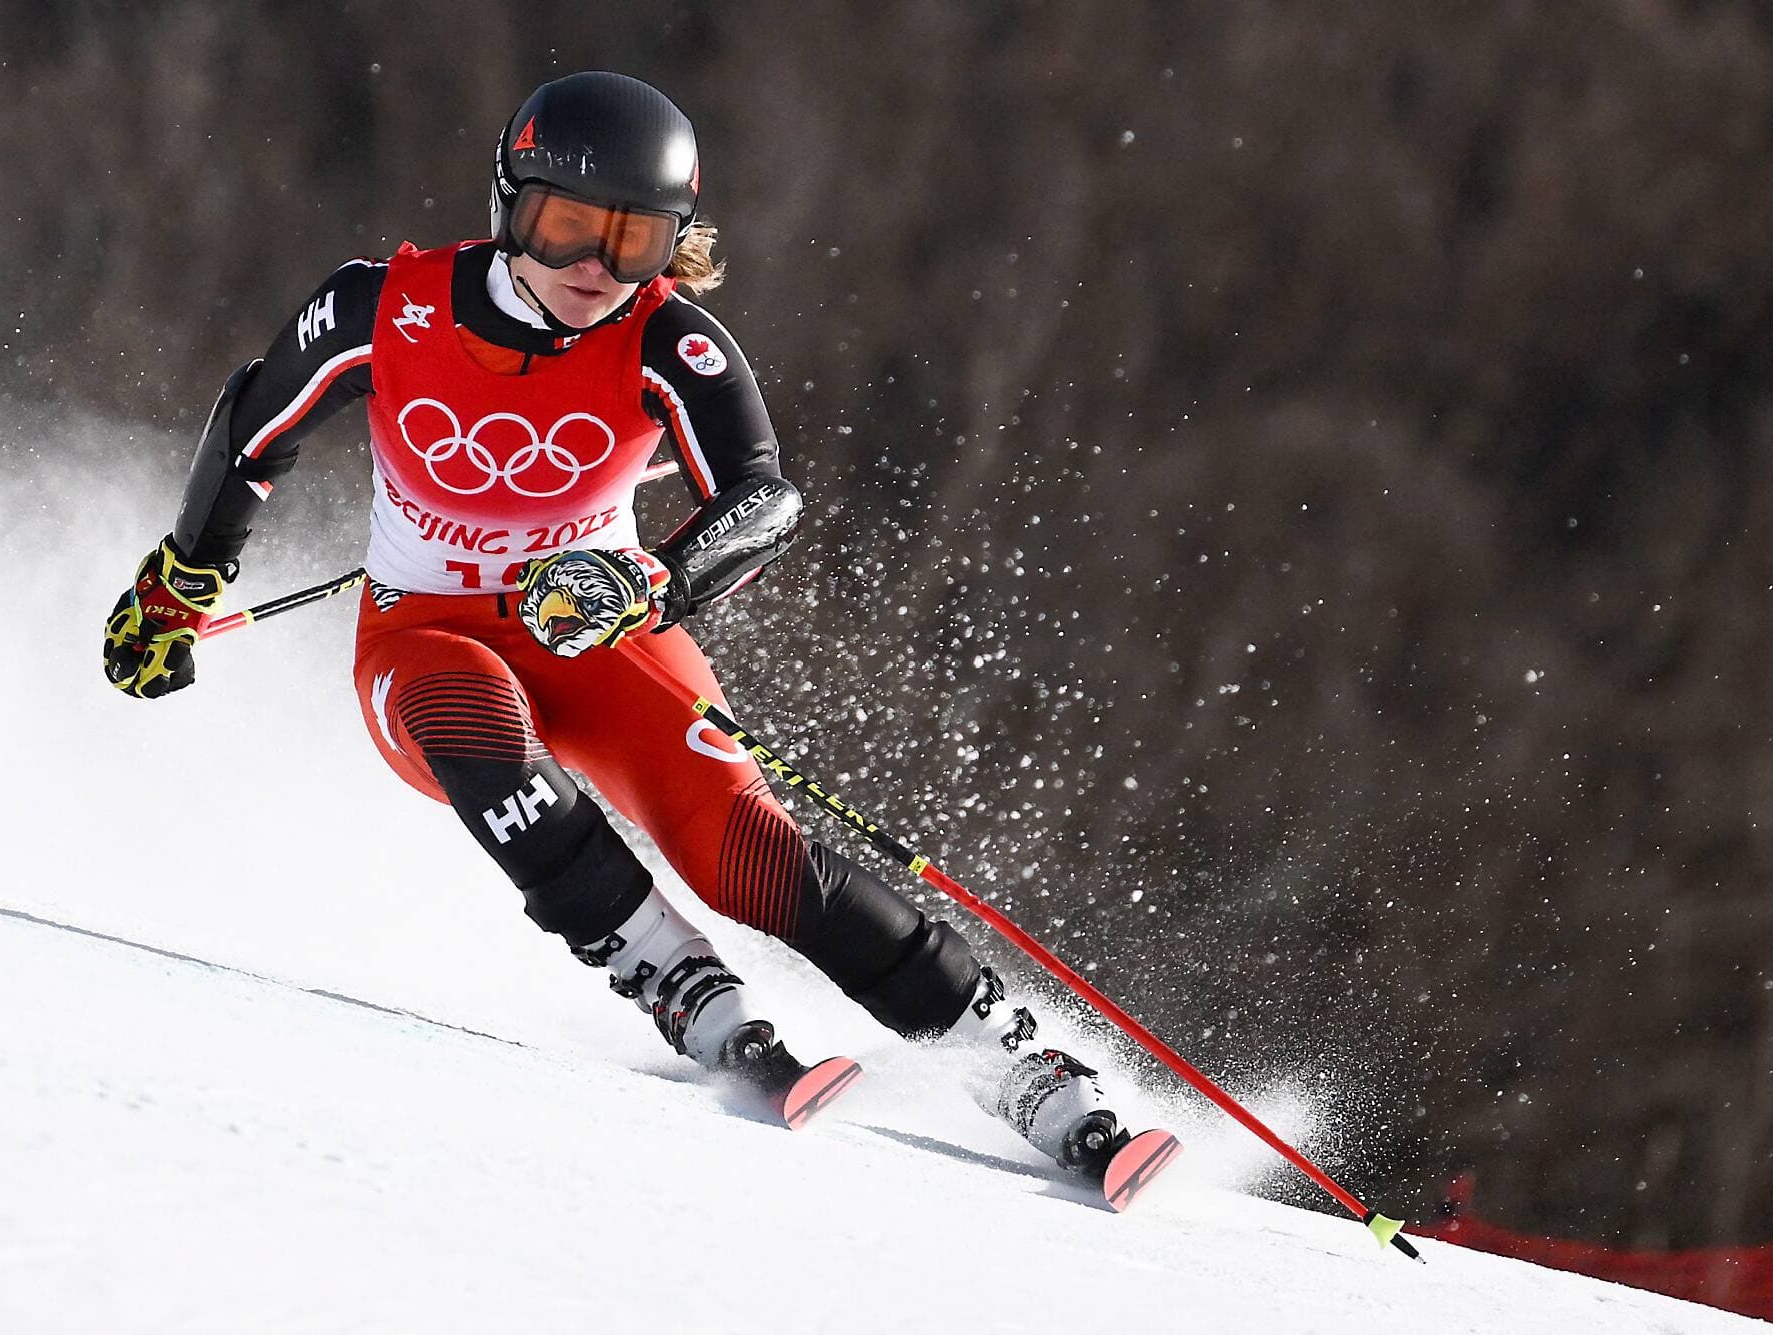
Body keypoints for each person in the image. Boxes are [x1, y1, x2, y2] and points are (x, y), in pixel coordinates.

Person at [103, 71, 1138, 1172]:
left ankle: (1016, 1068)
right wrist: (181, 581)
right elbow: (256, 423)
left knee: (747, 858)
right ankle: (673, 976)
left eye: (634, 241)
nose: (593, 268)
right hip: (422, 637)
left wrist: (653, 585)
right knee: (470, 719)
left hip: (602, 635)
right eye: (565, 229)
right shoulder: (384, 305)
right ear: (510, 206)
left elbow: (760, 498)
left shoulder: (667, 341)